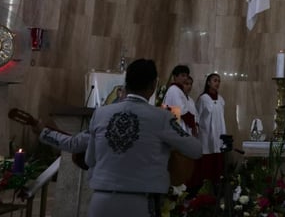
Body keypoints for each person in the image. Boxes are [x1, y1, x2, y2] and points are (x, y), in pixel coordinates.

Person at [85, 59, 201, 216]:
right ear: (153, 85)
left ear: (126, 83)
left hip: (101, 202)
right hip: (139, 203)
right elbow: (195, 150)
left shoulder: (101, 113)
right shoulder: (162, 117)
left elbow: (89, 160)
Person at [195, 73, 226, 187]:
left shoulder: (221, 99)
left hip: (219, 135)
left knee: (217, 162)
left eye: (218, 81)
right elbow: (196, 116)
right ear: (208, 82)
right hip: (206, 135)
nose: (217, 83)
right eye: (215, 80)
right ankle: (204, 187)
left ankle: (216, 186)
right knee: (207, 161)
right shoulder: (203, 99)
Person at [163, 65, 197, 136]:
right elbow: (182, 111)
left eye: (186, 76)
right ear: (175, 76)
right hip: (175, 128)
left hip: (178, 126)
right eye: (182, 75)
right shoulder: (174, 89)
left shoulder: (179, 90)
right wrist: (193, 125)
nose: (185, 78)